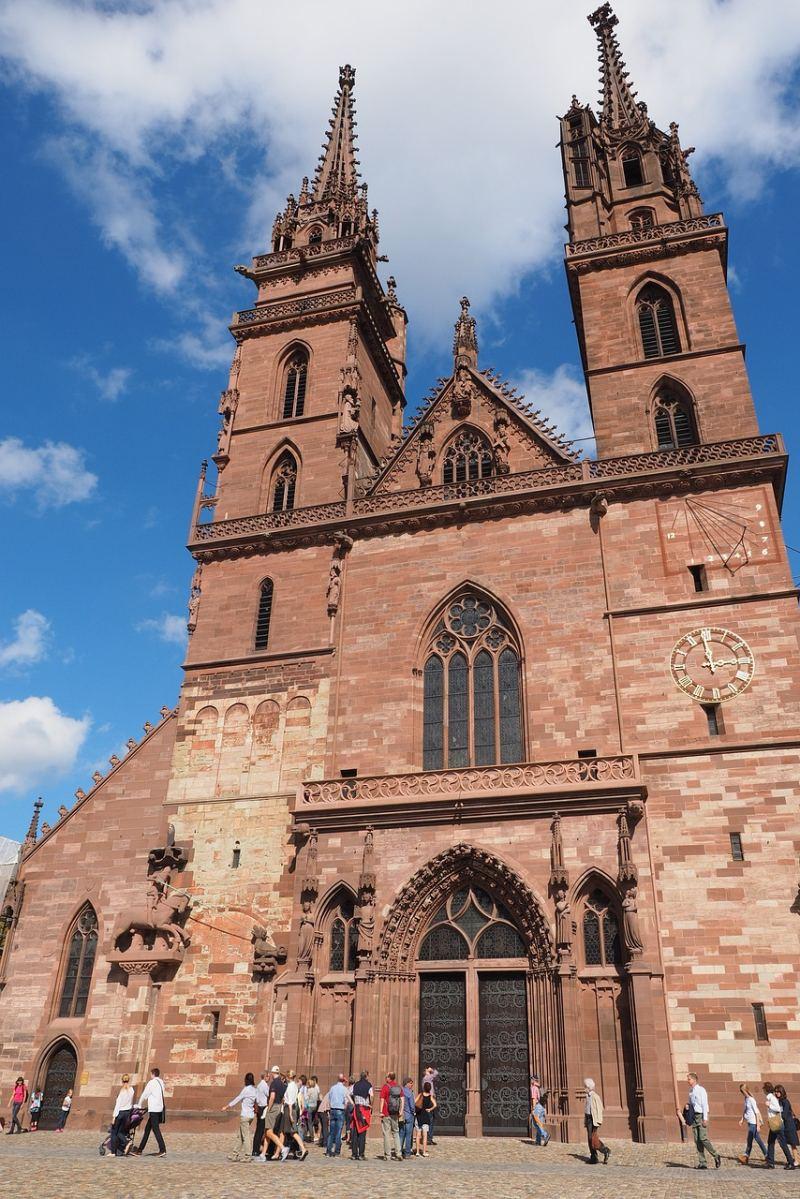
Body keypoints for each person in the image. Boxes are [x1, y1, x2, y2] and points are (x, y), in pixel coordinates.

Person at [679, 1072, 719, 1170]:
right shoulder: (691, 1091)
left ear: (694, 1080)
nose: (687, 1081)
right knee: (697, 1140)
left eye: (689, 1079)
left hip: (701, 1116)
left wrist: (705, 1118)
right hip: (694, 1117)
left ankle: (716, 1155)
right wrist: (687, 1106)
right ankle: (702, 1163)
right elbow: (691, 1103)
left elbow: (705, 1104)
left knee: (703, 1138)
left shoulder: (701, 1090)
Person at [223, 1071, 258, 1161]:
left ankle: (247, 1156)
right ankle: (235, 1154)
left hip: (245, 1116)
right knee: (241, 1135)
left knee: (245, 1136)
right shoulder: (254, 1090)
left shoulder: (246, 1089)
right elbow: (256, 1102)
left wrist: (227, 1106)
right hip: (251, 1115)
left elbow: (238, 1098)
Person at [132, 1067, 166, 1156]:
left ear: (153, 1074)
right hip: (159, 1109)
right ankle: (139, 1150)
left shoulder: (152, 1083)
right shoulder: (161, 1082)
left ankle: (163, 1150)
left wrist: (139, 1104)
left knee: (156, 1130)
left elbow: (144, 1094)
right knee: (147, 1129)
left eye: (151, 1074)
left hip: (154, 1110)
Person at [763, 1082, 795, 1169]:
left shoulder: (771, 1098)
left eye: (764, 1089)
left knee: (782, 1143)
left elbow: (777, 1109)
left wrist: (769, 1106)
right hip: (774, 1123)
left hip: (776, 1124)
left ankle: (791, 1162)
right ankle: (770, 1163)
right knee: (770, 1142)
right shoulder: (772, 1098)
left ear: (766, 1090)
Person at [258, 1066, 286, 1161]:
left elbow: (272, 1097)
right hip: (279, 1107)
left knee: (269, 1131)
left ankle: (283, 1148)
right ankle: (263, 1154)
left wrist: (268, 1108)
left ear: (273, 1073)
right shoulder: (282, 1084)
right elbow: (283, 1098)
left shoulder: (274, 1083)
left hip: (273, 1107)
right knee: (267, 1131)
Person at [279, 1069, 308, 1161]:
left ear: (288, 1077)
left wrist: (290, 1115)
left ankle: (300, 1149)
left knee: (292, 1132)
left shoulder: (291, 1086)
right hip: (290, 1109)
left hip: (289, 1109)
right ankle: (281, 1151)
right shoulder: (294, 1086)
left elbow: (291, 1102)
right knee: (287, 1132)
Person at [737, 1083, 767, 1164]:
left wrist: (758, 1125)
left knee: (751, 1140)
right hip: (750, 1122)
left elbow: (756, 1113)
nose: (742, 1093)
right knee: (757, 1139)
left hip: (754, 1123)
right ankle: (767, 1155)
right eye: (741, 1091)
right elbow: (745, 1110)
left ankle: (746, 1156)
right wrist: (742, 1119)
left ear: (746, 1090)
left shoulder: (751, 1100)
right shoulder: (746, 1099)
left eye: (742, 1091)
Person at [583, 1078, 610, 1165]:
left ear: (588, 1087)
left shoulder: (595, 1096)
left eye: (585, 1086)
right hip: (588, 1119)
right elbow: (587, 1110)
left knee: (593, 1139)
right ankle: (593, 1157)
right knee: (590, 1138)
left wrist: (598, 1121)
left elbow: (599, 1108)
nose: (584, 1088)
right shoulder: (587, 1096)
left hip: (593, 1119)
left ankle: (605, 1150)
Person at [378, 1071, 403, 1161]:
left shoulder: (385, 1087)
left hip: (386, 1113)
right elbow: (402, 1099)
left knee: (386, 1134)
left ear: (389, 1078)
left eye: (386, 1077)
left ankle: (388, 1155)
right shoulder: (398, 1087)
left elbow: (382, 1099)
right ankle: (399, 1154)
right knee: (396, 1133)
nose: (385, 1078)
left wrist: (380, 1111)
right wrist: (400, 1110)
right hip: (395, 1113)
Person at [109, 1074, 135, 1157]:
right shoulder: (131, 1090)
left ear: (122, 1081)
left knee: (114, 1132)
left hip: (120, 1113)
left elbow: (117, 1106)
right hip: (127, 1113)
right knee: (120, 1131)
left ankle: (113, 1152)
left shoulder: (122, 1092)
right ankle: (126, 1142)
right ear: (129, 1080)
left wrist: (113, 1117)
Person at [325, 1073, 350, 1157]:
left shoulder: (332, 1088)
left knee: (331, 1132)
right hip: (340, 1110)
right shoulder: (344, 1089)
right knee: (338, 1132)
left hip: (332, 1110)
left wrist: (329, 1110)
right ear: (343, 1080)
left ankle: (328, 1151)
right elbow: (346, 1102)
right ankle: (336, 1151)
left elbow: (329, 1099)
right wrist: (345, 1109)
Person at [350, 1070, 373, 1161]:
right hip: (364, 1109)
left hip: (356, 1109)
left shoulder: (355, 1085)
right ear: (366, 1076)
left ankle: (354, 1154)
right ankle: (361, 1154)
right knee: (362, 1133)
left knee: (355, 1133)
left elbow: (350, 1094)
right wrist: (371, 1104)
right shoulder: (369, 1085)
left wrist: (354, 1102)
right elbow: (371, 1095)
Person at [775, 1086, 799, 1166]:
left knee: (793, 1144)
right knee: (790, 1143)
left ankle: (796, 1161)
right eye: (776, 1091)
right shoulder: (780, 1101)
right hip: (785, 1125)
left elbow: (784, 1114)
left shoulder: (785, 1101)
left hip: (790, 1125)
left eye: (778, 1092)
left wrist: (777, 1116)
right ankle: (797, 1159)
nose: (776, 1093)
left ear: (782, 1092)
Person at [414, 1080, 437, 1157]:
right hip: (426, 1116)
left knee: (418, 1135)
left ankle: (417, 1151)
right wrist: (430, 1109)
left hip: (419, 1115)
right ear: (430, 1089)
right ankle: (424, 1151)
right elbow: (435, 1104)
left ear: (424, 1088)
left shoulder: (420, 1094)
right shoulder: (430, 1096)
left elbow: (414, 1102)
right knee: (425, 1136)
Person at [252, 1071, 270, 1158]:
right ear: (265, 1077)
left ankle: (255, 1149)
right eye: (268, 1076)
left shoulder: (259, 1085)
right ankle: (256, 1150)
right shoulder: (264, 1085)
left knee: (258, 1130)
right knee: (261, 1130)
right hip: (263, 1108)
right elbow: (269, 1094)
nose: (269, 1078)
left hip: (259, 1108)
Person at [530, 1074, 550, 1146]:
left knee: (535, 1124)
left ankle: (545, 1135)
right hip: (542, 1107)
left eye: (531, 1079)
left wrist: (533, 1108)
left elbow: (534, 1098)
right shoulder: (539, 1087)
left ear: (533, 1080)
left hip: (537, 1107)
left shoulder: (533, 1088)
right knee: (540, 1124)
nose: (531, 1080)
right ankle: (538, 1141)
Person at [422, 1064, 439, 1144]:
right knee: (430, 1120)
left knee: (431, 1119)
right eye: (427, 1071)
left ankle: (429, 1138)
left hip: (429, 1099)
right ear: (425, 1072)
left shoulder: (426, 1079)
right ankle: (429, 1138)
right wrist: (431, 1070)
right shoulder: (427, 1078)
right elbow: (436, 1073)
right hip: (430, 1100)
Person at [401, 1077, 415, 1158]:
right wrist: (414, 1112)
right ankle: (407, 1153)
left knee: (401, 1133)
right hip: (409, 1115)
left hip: (402, 1115)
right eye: (411, 1083)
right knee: (408, 1135)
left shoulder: (401, 1090)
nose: (412, 1085)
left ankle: (399, 1151)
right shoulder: (409, 1092)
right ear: (407, 1083)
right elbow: (412, 1106)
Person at [305, 1075, 321, 1142]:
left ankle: (311, 1136)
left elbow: (306, 1098)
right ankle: (313, 1135)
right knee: (312, 1121)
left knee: (309, 1122)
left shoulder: (309, 1090)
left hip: (310, 1107)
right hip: (315, 1106)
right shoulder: (316, 1090)